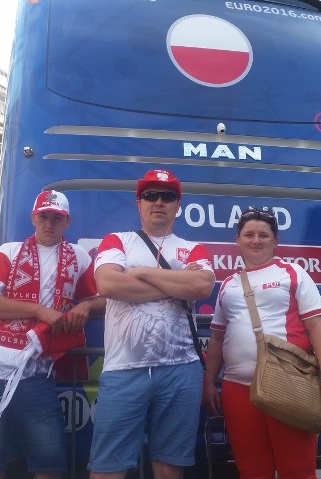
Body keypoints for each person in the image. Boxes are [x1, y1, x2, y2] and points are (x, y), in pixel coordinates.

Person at [0, 190, 104, 479]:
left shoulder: (77, 256)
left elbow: (102, 300)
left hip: (36, 369)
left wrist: (86, 306)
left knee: (50, 462)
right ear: (33, 218)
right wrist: (40, 311)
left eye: (57, 217)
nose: (49, 223)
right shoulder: (9, 251)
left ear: (67, 221)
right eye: (44, 216)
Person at [89, 169, 216, 479]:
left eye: (168, 196)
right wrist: (175, 285)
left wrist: (140, 273)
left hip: (181, 369)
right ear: (139, 203)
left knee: (170, 465)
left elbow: (201, 286)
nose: (159, 201)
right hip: (124, 369)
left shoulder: (192, 247)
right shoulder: (117, 240)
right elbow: (108, 284)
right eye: (150, 195)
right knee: (109, 466)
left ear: (177, 205)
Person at [203, 207, 321, 479]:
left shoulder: (293, 273)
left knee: (297, 470)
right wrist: (209, 381)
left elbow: (317, 326)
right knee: (252, 470)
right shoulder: (228, 284)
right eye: (249, 234)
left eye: (264, 235)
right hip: (237, 387)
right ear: (238, 240)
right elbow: (218, 337)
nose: (256, 240)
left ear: (275, 241)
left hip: (288, 382)